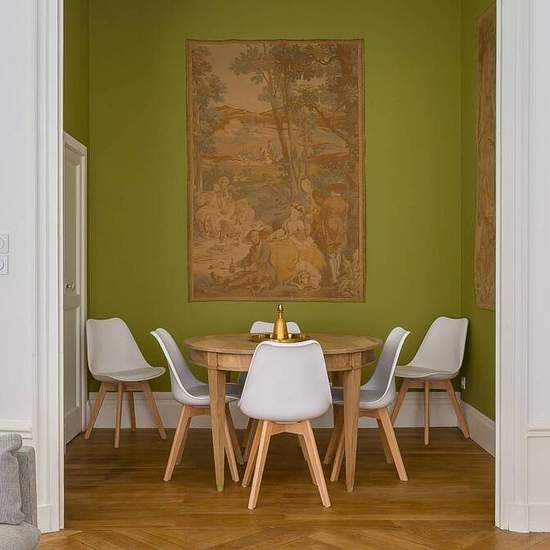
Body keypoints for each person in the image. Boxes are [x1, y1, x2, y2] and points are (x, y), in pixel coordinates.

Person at [319, 183, 349, 284]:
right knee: (338, 252)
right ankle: (337, 273)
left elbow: (322, 217)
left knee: (331, 254)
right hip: (340, 228)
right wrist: (343, 230)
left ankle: (334, 277)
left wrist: (322, 230)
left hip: (329, 227)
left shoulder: (327, 201)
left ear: (332, 191)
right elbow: (345, 220)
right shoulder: (345, 203)